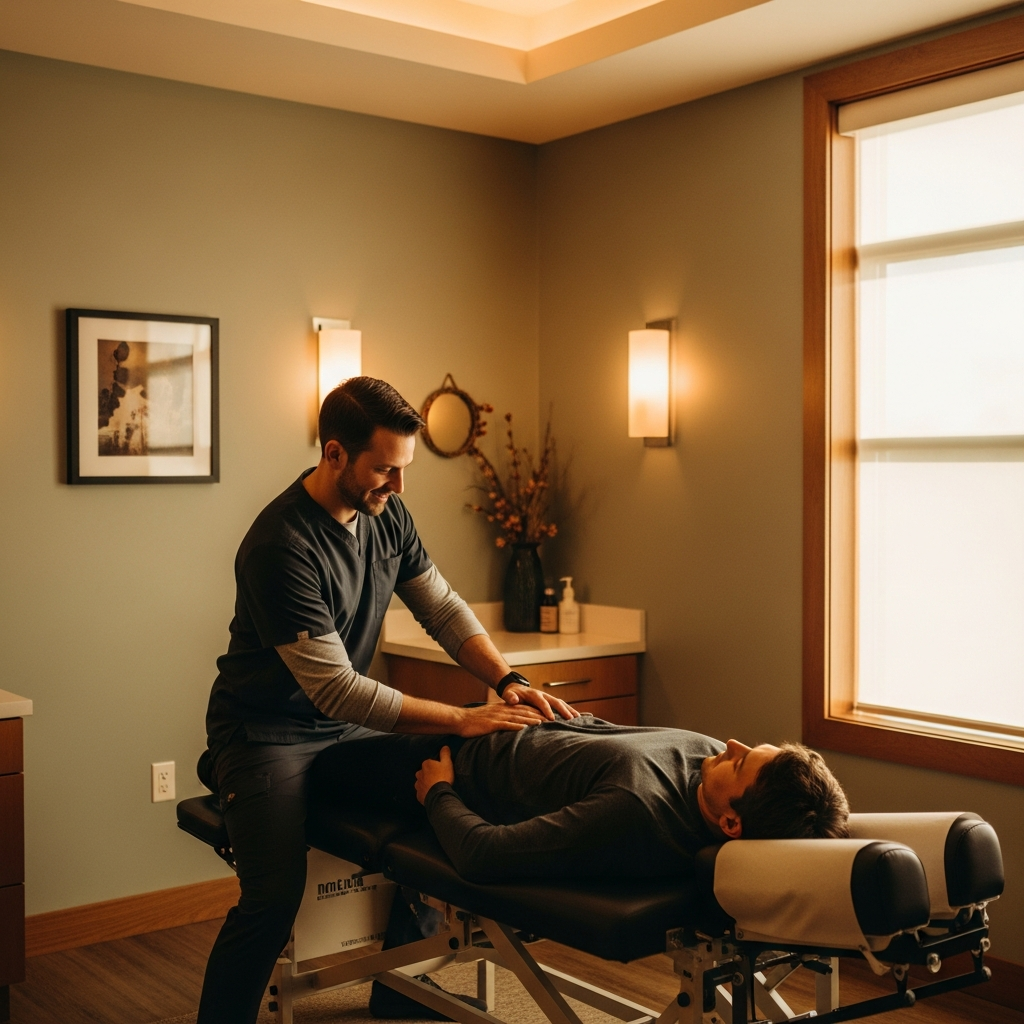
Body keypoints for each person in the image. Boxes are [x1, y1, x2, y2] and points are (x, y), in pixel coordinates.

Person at [195, 377, 577, 1024]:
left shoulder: (385, 512)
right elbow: (337, 689)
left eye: (404, 471)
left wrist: (508, 681)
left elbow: (443, 609)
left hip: (343, 732)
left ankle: (402, 994)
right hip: (266, 735)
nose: (398, 487)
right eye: (384, 470)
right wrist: (463, 715)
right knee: (273, 897)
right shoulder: (279, 546)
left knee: (440, 787)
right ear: (335, 453)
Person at [311, 717, 851, 887]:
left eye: (739, 763)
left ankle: (225, 770)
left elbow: (485, 854)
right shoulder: (706, 757)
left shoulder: (633, 812)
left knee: (310, 760)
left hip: (445, 765)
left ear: (732, 824)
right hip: (492, 725)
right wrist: (533, 705)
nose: (729, 746)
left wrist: (439, 792)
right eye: (744, 749)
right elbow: (600, 730)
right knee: (334, 722)